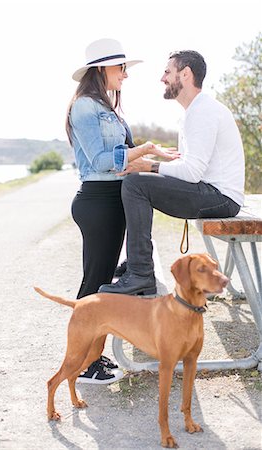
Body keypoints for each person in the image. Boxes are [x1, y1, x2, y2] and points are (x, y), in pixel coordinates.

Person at [67, 38, 177, 384]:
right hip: (98, 202)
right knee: (94, 286)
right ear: (101, 69)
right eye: (121, 68)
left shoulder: (109, 108)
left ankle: (92, 359)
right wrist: (143, 149)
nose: (126, 75)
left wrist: (147, 159)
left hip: (113, 200)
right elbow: (100, 161)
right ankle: (84, 364)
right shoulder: (85, 107)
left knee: (102, 284)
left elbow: (123, 159)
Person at [99, 50, 245, 296]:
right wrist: (148, 161)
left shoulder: (203, 111)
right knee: (137, 181)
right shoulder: (195, 111)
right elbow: (185, 164)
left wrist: (149, 167)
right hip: (214, 193)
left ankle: (140, 272)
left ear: (185, 74)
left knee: (136, 185)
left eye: (168, 71)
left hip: (221, 198)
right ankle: (138, 263)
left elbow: (192, 172)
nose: (162, 78)